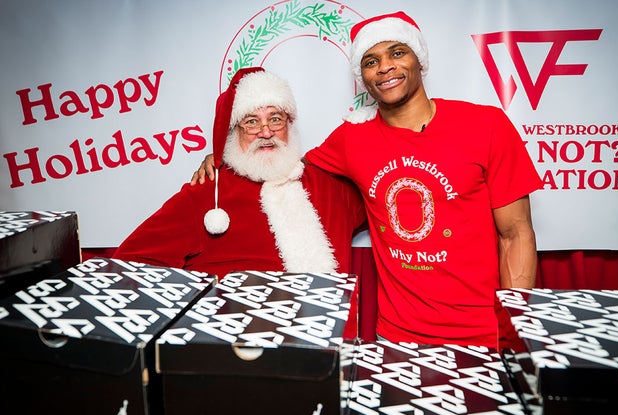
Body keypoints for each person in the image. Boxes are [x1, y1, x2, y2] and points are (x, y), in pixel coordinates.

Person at [191, 12, 542, 348]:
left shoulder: (486, 126)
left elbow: (517, 235)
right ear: (362, 76)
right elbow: (282, 167)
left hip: (483, 334)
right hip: (396, 335)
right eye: (370, 61)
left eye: (397, 52)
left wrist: (513, 329)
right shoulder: (351, 139)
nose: (384, 66)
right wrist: (225, 156)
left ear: (420, 60)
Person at [115, 67, 365, 280]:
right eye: (251, 121)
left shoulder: (331, 188)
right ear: (234, 131)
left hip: (330, 335)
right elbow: (129, 266)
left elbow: (386, 193)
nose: (265, 132)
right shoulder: (208, 190)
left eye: (275, 119)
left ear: (289, 125)